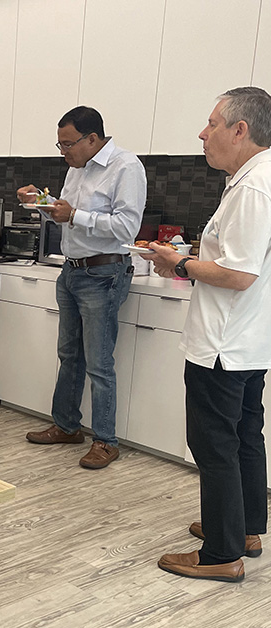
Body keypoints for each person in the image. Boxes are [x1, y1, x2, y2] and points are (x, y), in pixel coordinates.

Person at [144, 87, 271, 583]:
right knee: (243, 436)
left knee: (213, 442)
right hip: (247, 339)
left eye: (213, 123)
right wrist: (188, 261)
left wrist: (178, 261)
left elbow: (238, 274)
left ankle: (221, 554)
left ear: (240, 130)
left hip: (222, 343)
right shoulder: (256, 179)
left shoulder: (252, 189)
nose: (203, 133)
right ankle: (243, 530)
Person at [17, 106, 146, 470]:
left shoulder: (126, 167)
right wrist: (40, 204)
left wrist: (74, 215)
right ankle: (67, 425)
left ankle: (105, 441)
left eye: (68, 144)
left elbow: (126, 229)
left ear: (93, 139)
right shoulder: (76, 169)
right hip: (71, 271)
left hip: (104, 274)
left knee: (100, 362)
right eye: (59, 146)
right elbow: (64, 214)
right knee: (69, 355)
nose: (64, 153)